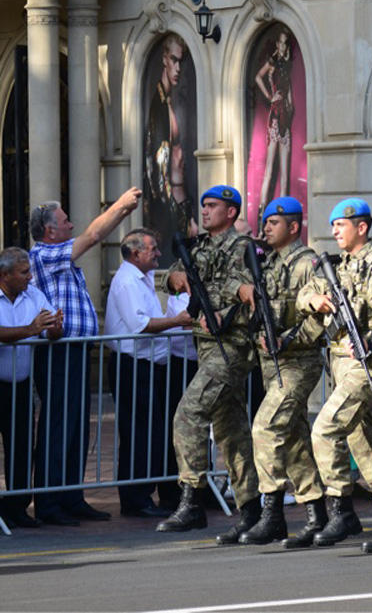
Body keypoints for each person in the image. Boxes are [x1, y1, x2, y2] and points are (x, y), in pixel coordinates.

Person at [28, 186, 141, 525]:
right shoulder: (44, 255)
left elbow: (90, 234)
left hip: (76, 350)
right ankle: (49, 503)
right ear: (50, 231)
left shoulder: (60, 254)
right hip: (57, 352)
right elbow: (93, 235)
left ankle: (71, 496)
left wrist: (123, 212)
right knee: (59, 426)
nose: (71, 225)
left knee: (78, 428)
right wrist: (119, 206)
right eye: (65, 221)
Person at [297, 198, 372, 547]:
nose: (334, 232)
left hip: (366, 361)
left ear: (362, 227)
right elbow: (306, 293)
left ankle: (341, 510)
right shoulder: (337, 265)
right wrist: (315, 301)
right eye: (333, 226)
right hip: (340, 362)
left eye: (341, 225)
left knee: (326, 429)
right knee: (366, 438)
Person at [158, 185, 261, 541]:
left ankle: (192, 500)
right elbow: (166, 277)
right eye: (203, 205)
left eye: (213, 206)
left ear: (230, 212)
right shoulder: (197, 247)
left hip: (232, 346)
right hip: (205, 348)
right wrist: (174, 278)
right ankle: (252, 508)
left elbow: (250, 289)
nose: (205, 211)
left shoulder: (243, 248)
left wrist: (218, 311)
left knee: (188, 413)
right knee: (231, 430)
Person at [234, 197, 329, 547]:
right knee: (293, 439)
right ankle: (317, 512)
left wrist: (288, 340)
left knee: (266, 427)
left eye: (275, 222)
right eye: (266, 221)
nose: (267, 227)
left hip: (298, 361)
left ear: (293, 227)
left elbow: (319, 319)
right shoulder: (266, 262)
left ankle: (272, 513)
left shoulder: (307, 264)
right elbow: (237, 286)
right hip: (271, 363)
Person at [103, 229, 194, 518]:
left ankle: (145, 494)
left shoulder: (140, 279)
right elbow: (139, 324)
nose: (157, 253)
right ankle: (135, 498)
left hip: (149, 365)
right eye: (152, 249)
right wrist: (177, 320)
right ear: (135, 253)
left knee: (150, 431)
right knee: (136, 432)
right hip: (132, 365)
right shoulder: (128, 281)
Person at [0, 247, 63, 528]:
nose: (29, 276)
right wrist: (30, 329)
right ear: (5, 275)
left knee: (23, 446)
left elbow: (50, 327)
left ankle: (17, 507)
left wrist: (54, 327)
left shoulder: (33, 294)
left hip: (21, 385)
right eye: (23, 272)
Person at [144, 33, 194, 239]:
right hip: (170, 210)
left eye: (180, 61)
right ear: (164, 59)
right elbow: (156, 168)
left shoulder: (167, 101)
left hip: (179, 203)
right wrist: (173, 218)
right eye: (174, 60)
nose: (178, 68)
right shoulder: (159, 106)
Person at [254, 30, 296, 208]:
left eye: (285, 43)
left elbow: (289, 93)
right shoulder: (272, 63)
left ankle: (283, 216)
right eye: (280, 42)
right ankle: (263, 218)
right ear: (277, 44)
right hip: (275, 116)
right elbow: (257, 77)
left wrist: (290, 104)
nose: (282, 46)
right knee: (270, 170)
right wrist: (270, 96)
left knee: (285, 174)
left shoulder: (286, 65)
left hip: (285, 116)